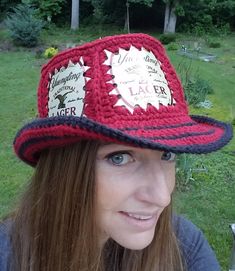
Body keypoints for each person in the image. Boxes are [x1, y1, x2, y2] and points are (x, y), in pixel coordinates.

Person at [0, 33, 233, 271]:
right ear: (63, 167)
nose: (162, 197)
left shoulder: (184, 246)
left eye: (167, 155)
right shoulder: (8, 256)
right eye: (119, 157)